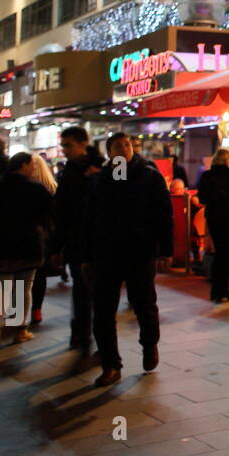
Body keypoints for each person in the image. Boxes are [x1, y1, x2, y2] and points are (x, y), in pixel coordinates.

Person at [84, 133, 173, 387]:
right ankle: (111, 364)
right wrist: (86, 255)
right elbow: (89, 219)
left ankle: (149, 345)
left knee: (144, 303)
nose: (124, 149)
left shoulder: (149, 175)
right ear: (109, 152)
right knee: (103, 310)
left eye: (127, 145)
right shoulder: (100, 180)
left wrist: (165, 249)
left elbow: (163, 214)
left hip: (139, 251)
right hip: (106, 252)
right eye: (117, 146)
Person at [0, 152, 53, 353]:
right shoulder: (36, 188)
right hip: (27, 247)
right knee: (23, 289)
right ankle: (20, 330)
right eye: (31, 165)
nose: (34, 168)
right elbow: (48, 216)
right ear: (24, 165)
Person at [53, 128, 100, 351]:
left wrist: (97, 177)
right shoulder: (70, 168)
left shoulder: (104, 163)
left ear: (83, 144)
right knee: (81, 289)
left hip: (97, 239)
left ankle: (95, 336)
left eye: (68, 145)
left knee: (97, 292)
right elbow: (62, 209)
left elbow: (121, 188)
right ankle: (80, 334)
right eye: (63, 146)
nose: (64, 150)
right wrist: (57, 245)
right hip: (76, 239)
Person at [197, 148, 229, 303]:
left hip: (214, 218)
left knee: (219, 253)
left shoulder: (207, 176)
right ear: (228, 160)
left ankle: (216, 290)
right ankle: (223, 290)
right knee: (225, 255)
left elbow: (202, 199)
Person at [24, 153, 59, 327]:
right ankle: (36, 309)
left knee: (23, 276)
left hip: (25, 238)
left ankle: (21, 311)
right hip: (46, 239)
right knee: (40, 276)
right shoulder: (52, 187)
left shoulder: (22, 188)